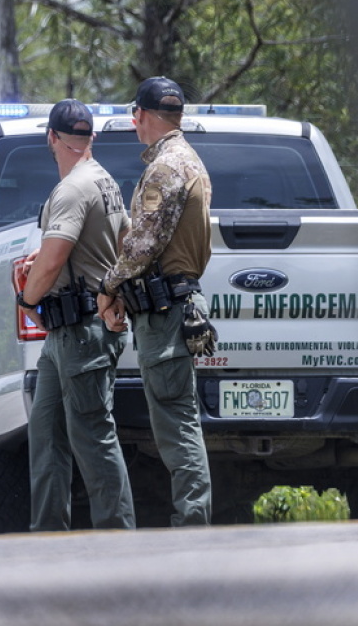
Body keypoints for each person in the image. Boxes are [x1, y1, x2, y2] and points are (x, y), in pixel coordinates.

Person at [97, 77, 213, 527]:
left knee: (175, 423)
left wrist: (109, 286)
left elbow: (142, 243)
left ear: (142, 115)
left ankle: (192, 521)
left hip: (165, 311)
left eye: (134, 116)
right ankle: (193, 517)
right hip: (172, 304)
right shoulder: (190, 160)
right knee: (178, 417)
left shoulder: (167, 166)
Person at [14, 99, 134, 532]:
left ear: (52, 137)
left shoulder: (72, 189)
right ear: (90, 137)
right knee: (45, 438)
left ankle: (117, 538)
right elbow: (124, 242)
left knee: (93, 437)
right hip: (69, 332)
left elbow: (52, 261)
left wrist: (27, 301)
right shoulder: (104, 180)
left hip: (81, 330)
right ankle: (48, 537)